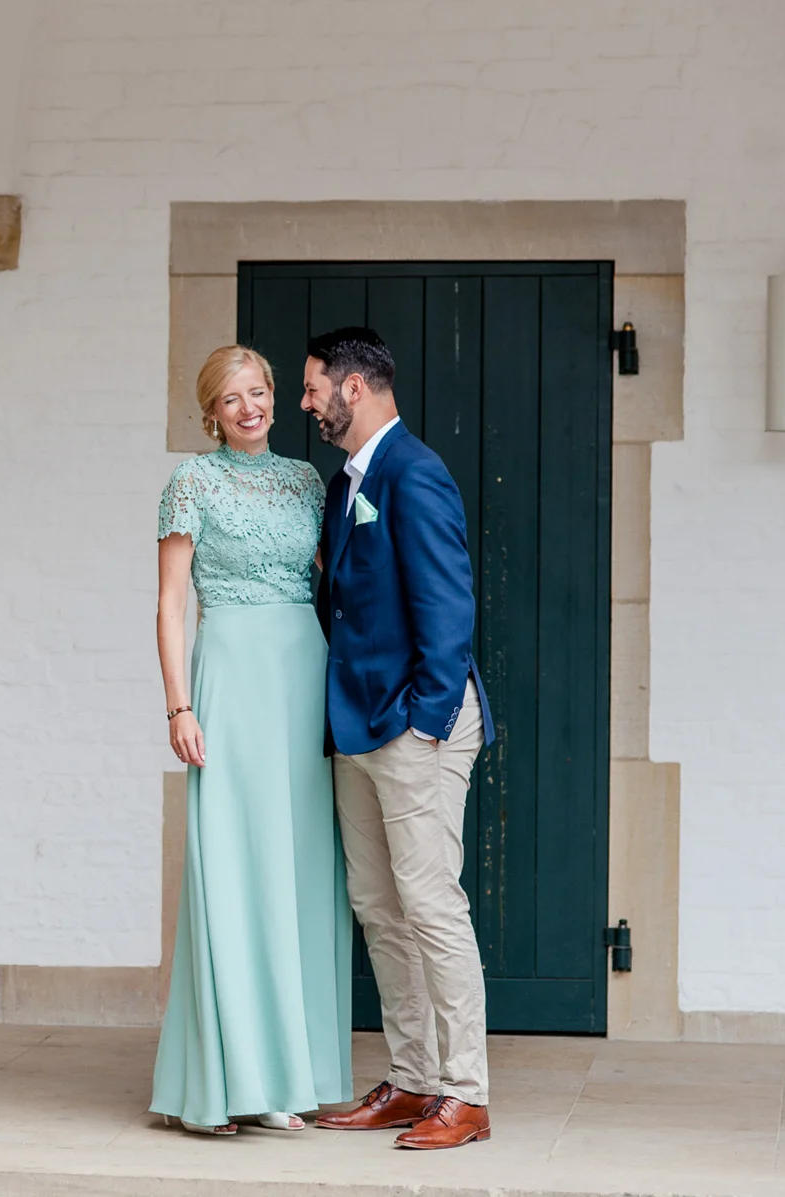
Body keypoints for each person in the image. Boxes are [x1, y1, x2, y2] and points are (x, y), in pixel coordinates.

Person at [149, 344, 353, 1136]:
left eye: (260, 391)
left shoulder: (307, 481)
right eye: (232, 397)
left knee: (298, 869)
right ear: (212, 410)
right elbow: (171, 605)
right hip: (229, 681)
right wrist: (179, 706)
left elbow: (336, 583)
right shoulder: (190, 483)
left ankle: (287, 1074)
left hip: (302, 680)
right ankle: (225, 1082)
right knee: (234, 868)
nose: (250, 406)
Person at [303, 327, 496, 1150]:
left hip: (419, 723)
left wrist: (423, 720)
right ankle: (414, 1077)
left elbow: (449, 609)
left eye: (314, 387)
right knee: (379, 908)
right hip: (357, 725)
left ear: (354, 387)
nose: (305, 401)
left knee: (429, 905)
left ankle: (468, 1092)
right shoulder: (344, 482)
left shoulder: (414, 472)